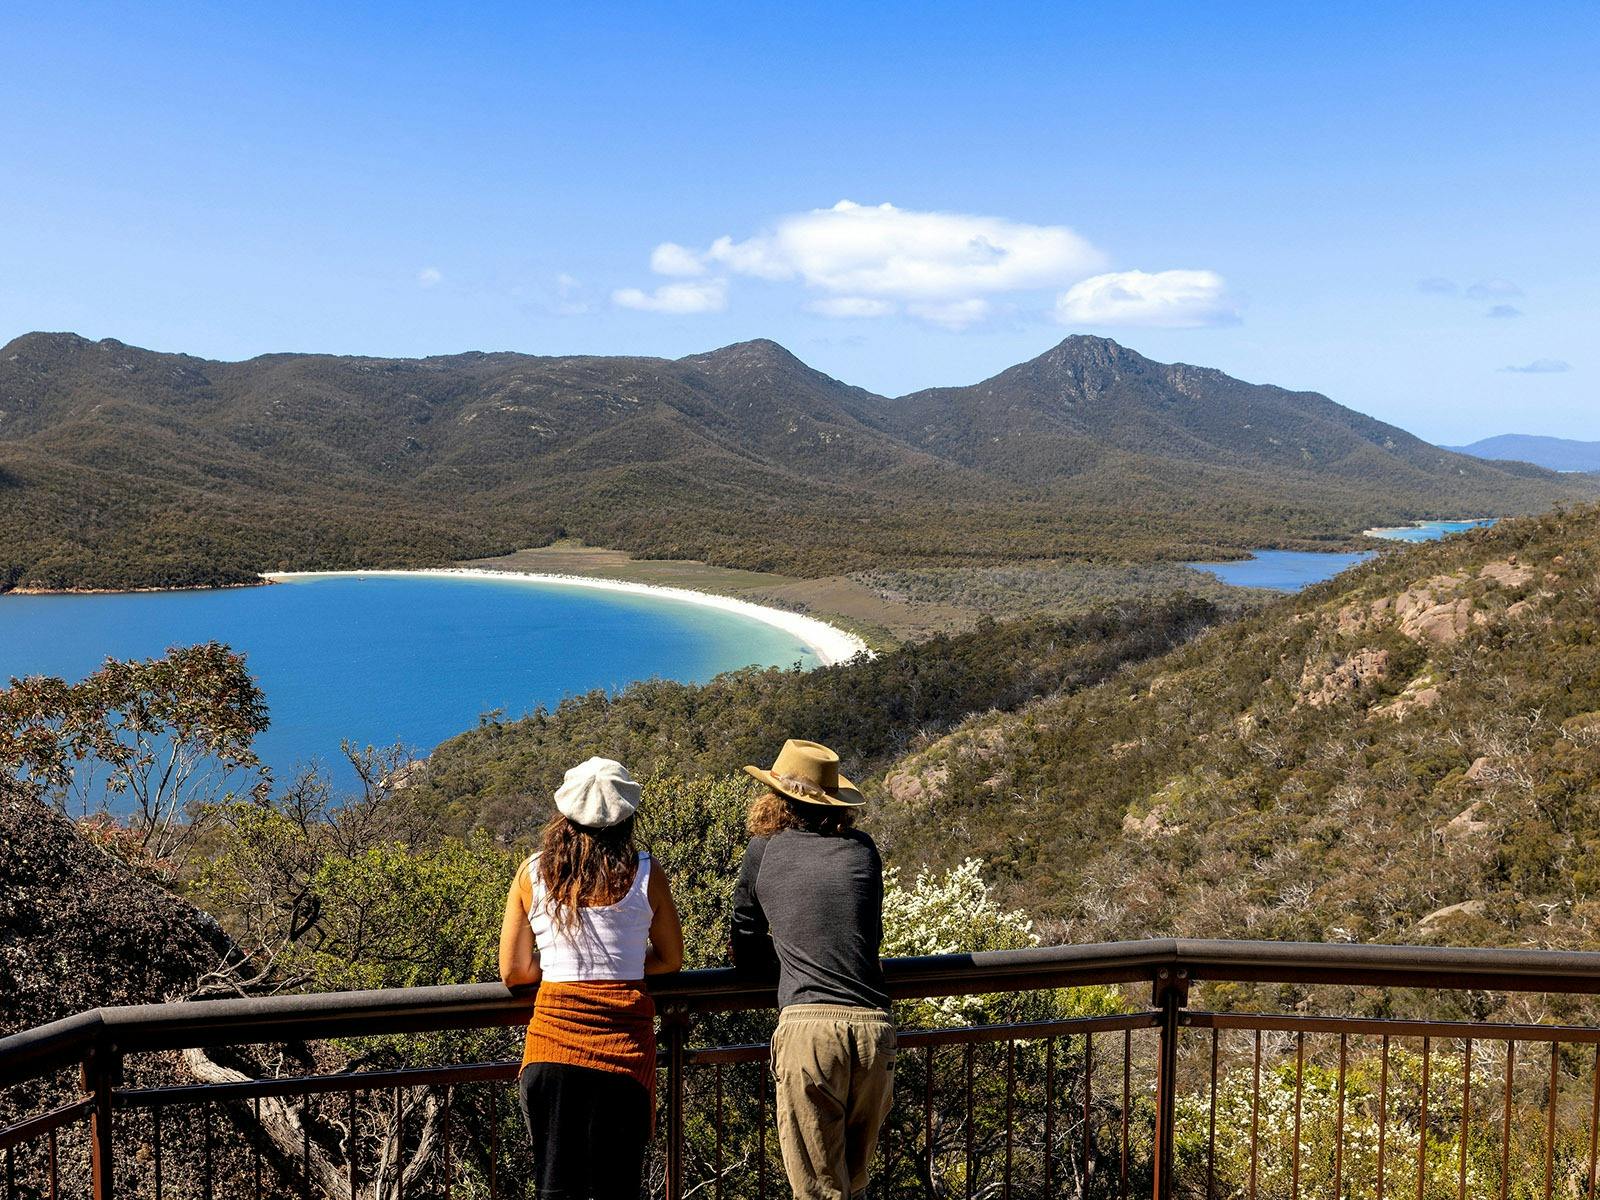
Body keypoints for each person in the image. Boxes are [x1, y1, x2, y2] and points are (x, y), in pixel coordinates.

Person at [499, 756, 683, 1200]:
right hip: (622, 1058)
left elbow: (515, 970)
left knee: (555, 1189)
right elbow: (671, 958)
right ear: (626, 817)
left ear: (564, 815)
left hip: (551, 1051)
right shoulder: (646, 873)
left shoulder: (531, 873)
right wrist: (623, 965)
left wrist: (564, 970)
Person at [731, 739, 895, 1200]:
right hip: (873, 1027)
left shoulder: (763, 848)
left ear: (775, 799)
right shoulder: (862, 849)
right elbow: (867, 931)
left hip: (810, 1029)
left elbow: (745, 929)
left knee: (819, 1191)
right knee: (854, 1183)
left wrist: (773, 970)